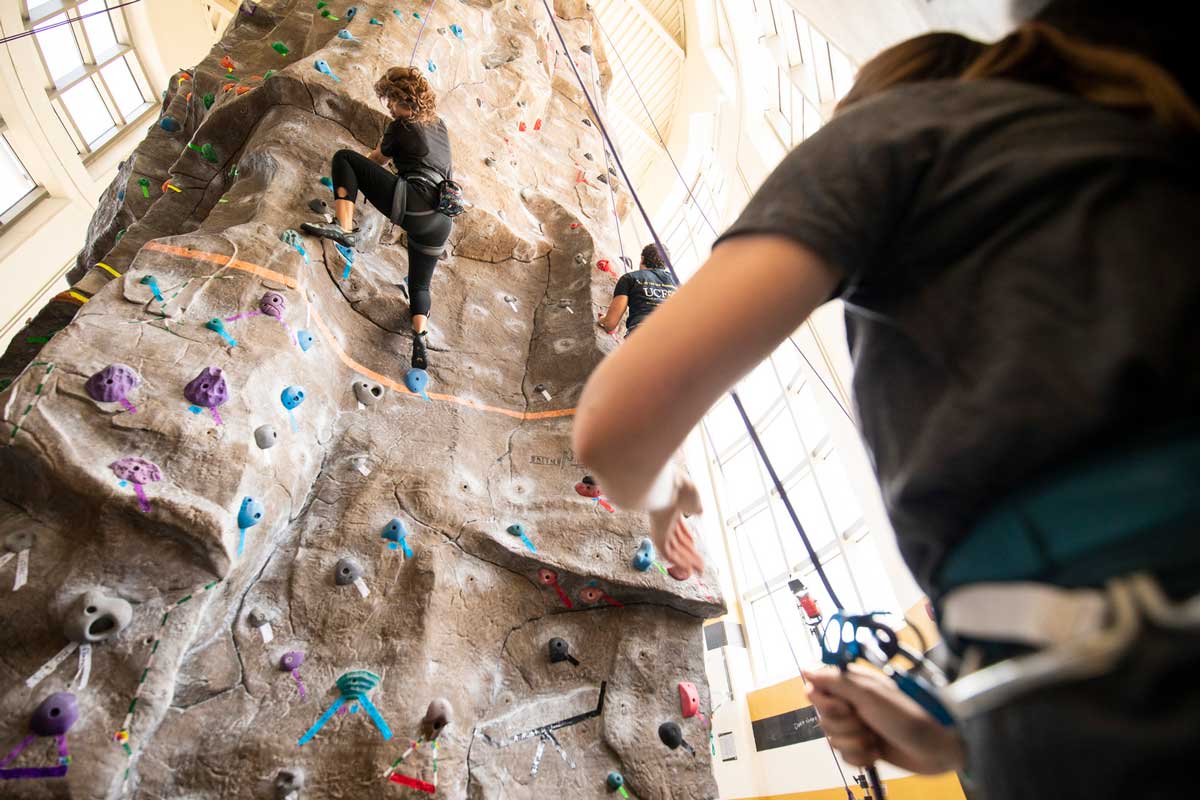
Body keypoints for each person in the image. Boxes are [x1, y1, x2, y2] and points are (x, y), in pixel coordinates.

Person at [572, 12, 1200, 799]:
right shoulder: (1136, 145)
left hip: (1092, 706)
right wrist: (913, 724)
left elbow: (612, 426)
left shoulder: (891, 132)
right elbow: (965, 727)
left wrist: (665, 499)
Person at [302, 66, 453, 370]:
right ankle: (419, 335)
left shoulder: (401, 126)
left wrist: (365, 170)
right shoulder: (440, 125)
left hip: (415, 204)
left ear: (399, 100)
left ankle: (343, 227)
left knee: (345, 158)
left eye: (388, 101)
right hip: (442, 220)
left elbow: (375, 162)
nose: (387, 106)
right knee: (419, 285)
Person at [597, 244, 678, 337]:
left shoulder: (630, 278)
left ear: (642, 258)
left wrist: (602, 319)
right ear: (665, 265)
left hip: (642, 335)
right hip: (675, 336)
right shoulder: (677, 284)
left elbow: (610, 323)